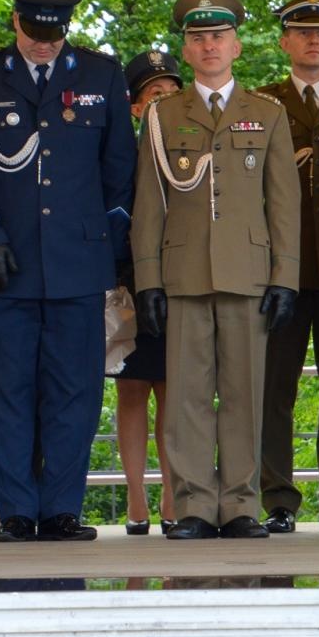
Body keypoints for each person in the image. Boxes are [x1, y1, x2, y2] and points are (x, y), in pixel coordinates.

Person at [0, 0, 135, 543]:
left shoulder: (103, 76)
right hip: (8, 262)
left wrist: (105, 246)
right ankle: (16, 510)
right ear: (15, 21)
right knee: (4, 390)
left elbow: (120, 172)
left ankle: (60, 508)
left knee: (74, 390)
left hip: (78, 264)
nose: (43, 43)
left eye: (54, 35)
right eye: (34, 32)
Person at [131, 0, 299, 541]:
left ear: (237, 45)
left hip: (248, 272)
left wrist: (285, 276)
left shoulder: (267, 113)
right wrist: (147, 279)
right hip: (183, 273)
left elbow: (284, 204)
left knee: (247, 393)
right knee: (186, 396)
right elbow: (149, 203)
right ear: (186, 48)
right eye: (198, 38)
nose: (209, 46)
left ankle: (241, 504)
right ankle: (195, 504)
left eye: (218, 37)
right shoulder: (161, 115)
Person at [253, 0, 319, 534]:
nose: (314, 40)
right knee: (274, 387)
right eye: (302, 31)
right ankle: (277, 499)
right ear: (285, 41)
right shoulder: (261, 103)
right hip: (281, 268)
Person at [113, 51, 183, 536]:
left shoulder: (190, 142)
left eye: (171, 92)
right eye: (154, 94)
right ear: (136, 107)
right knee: (132, 388)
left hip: (181, 278)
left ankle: (173, 494)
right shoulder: (118, 148)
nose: (165, 100)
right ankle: (136, 496)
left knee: (174, 391)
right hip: (127, 277)